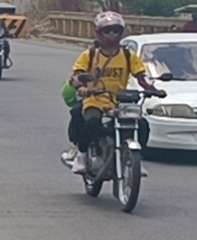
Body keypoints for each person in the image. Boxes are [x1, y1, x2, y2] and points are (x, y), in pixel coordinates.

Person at [62, 11, 161, 174]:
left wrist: (153, 90)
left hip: (120, 102)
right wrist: (82, 87)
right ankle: (81, 155)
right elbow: (76, 76)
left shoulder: (129, 55)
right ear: (98, 33)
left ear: (121, 32)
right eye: (106, 31)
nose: (111, 35)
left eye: (115, 30)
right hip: (94, 100)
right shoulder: (90, 55)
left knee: (142, 124)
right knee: (92, 121)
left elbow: (141, 76)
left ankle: (134, 157)